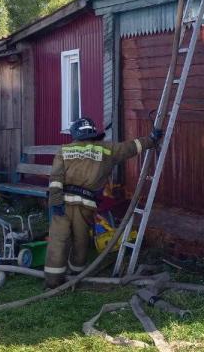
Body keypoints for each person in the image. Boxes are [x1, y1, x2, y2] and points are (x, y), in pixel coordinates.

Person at [44, 117, 162, 289]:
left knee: (58, 240)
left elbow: (55, 178)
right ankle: (76, 276)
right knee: (81, 240)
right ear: (93, 132)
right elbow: (129, 147)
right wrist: (151, 140)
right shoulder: (106, 149)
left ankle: (53, 283)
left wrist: (55, 201)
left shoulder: (64, 150)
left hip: (62, 201)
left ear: (75, 134)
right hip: (85, 205)